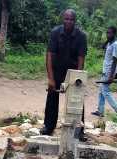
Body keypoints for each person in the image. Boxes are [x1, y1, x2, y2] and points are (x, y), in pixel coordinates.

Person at [40, 9, 87, 141]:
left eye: (71, 19)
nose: (68, 22)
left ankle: (79, 130)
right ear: (63, 19)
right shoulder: (55, 33)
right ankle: (48, 127)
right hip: (57, 70)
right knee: (52, 97)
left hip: (72, 72)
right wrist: (50, 78)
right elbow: (49, 55)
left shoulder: (81, 36)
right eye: (66, 19)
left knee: (77, 100)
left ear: (75, 21)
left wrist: (77, 79)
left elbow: (81, 59)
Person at [92, 26, 117, 117]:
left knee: (106, 92)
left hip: (109, 71)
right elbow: (102, 47)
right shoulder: (110, 43)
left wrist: (111, 75)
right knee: (101, 91)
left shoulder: (115, 44)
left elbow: (115, 60)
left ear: (114, 34)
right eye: (107, 33)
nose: (108, 34)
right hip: (105, 70)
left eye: (110, 33)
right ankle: (100, 111)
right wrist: (107, 40)